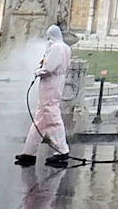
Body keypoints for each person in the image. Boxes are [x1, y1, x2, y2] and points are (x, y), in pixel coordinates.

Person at [15, 25, 72, 168]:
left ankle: (62, 150)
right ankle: (29, 152)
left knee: (51, 114)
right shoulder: (65, 47)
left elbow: (49, 68)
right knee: (40, 118)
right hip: (55, 81)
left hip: (51, 82)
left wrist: (38, 71)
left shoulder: (56, 48)